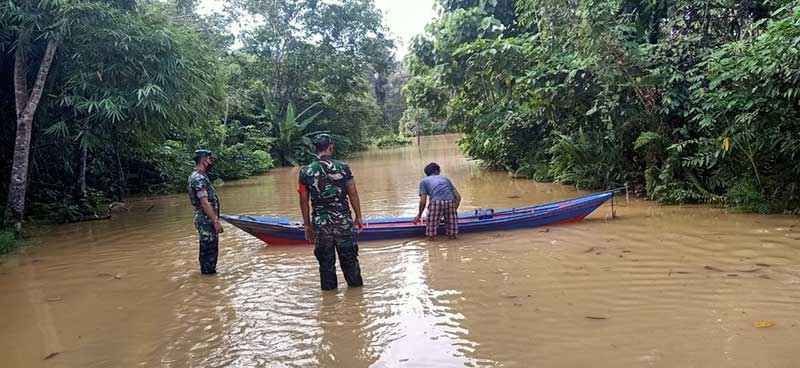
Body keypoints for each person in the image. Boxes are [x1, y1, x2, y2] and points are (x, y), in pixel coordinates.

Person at [298, 134, 364, 290]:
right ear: (331, 147)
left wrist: (307, 225)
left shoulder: (305, 172)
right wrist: (359, 216)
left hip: (321, 223)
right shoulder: (343, 168)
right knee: (349, 258)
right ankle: (356, 296)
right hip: (343, 221)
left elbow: (303, 200)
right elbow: (353, 193)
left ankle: (329, 299)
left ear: (315, 149)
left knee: (326, 261)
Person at [187, 149, 223, 275]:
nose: (211, 162)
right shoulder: (198, 179)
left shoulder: (200, 176)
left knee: (208, 250)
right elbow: (205, 202)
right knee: (209, 252)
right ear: (203, 160)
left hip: (205, 218)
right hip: (206, 220)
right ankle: (209, 279)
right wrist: (215, 221)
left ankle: (207, 279)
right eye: (209, 159)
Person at [412, 162, 461, 240]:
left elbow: (423, 201)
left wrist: (419, 215)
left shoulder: (424, 181)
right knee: (452, 235)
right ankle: (453, 245)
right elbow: (458, 197)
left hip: (436, 203)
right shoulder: (446, 179)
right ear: (437, 171)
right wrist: (453, 211)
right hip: (450, 202)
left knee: (430, 234)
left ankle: (432, 247)